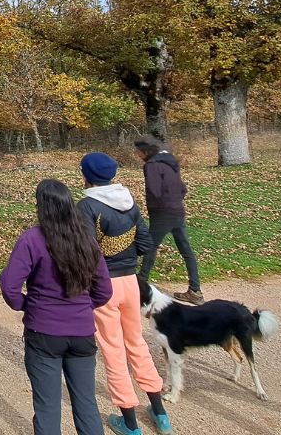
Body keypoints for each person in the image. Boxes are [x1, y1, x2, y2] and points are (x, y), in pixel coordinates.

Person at [0, 178, 114, 435]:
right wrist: (84, 307)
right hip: (82, 333)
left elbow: (9, 285)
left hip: (44, 333)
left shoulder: (32, 239)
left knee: (47, 406)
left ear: (41, 206)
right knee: (86, 404)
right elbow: (104, 290)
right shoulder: (86, 239)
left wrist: (27, 305)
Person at [76, 153, 169, 435]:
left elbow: (88, 251)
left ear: (86, 176)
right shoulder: (128, 202)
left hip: (104, 285)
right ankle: (159, 412)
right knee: (136, 343)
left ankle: (129, 422)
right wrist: (126, 257)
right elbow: (145, 242)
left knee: (113, 349)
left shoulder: (87, 206)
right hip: (130, 281)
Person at [133, 139, 202, 303]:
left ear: (146, 152)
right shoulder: (170, 163)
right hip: (177, 210)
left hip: (162, 212)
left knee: (150, 247)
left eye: (138, 152)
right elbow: (182, 188)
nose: (137, 154)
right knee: (186, 250)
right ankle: (195, 290)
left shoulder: (151, 166)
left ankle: (140, 285)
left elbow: (154, 190)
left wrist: (155, 206)